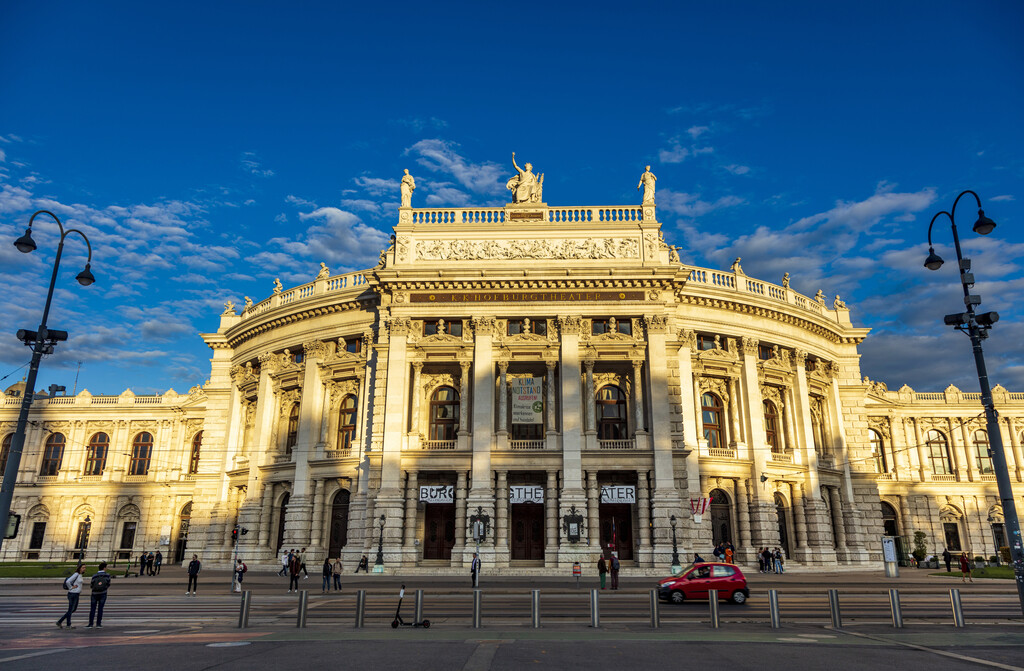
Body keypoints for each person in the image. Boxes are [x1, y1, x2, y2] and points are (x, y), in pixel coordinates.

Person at [57, 563, 84, 629]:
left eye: (85, 567)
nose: (84, 569)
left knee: (72, 609)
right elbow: (68, 581)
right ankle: (68, 625)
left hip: (76, 594)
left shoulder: (79, 575)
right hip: (73, 594)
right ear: (79, 568)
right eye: (83, 567)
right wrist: (71, 587)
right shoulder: (76, 574)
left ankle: (60, 622)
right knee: (71, 609)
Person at [85, 562, 111, 628]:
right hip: (103, 593)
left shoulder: (94, 575)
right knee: (100, 609)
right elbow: (108, 584)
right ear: (104, 568)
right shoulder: (107, 575)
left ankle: (90, 624)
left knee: (92, 609)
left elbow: (91, 584)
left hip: (94, 593)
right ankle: (98, 624)